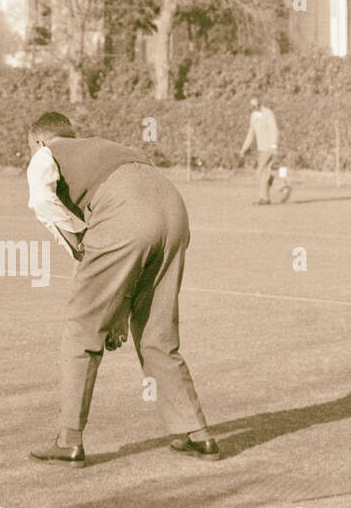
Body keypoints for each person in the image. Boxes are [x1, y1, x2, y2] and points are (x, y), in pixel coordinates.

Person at [26, 111, 217, 467]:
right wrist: (116, 310)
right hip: (173, 210)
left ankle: (68, 441)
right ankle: (197, 433)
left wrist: (83, 245)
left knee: (81, 328)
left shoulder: (45, 153)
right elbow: (126, 254)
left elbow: (42, 203)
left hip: (125, 215)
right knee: (157, 334)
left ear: (39, 140)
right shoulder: (107, 148)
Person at [239, 96, 280, 205]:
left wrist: (274, 146)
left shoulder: (268, 113)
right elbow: (251, 133)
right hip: (261, 148)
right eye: (252, 106)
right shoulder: (253, 116)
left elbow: (274, 130)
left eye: (256, 105)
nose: (254, 107)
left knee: (260, 171)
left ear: (260, 103)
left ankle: (265, 197)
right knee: (264, 173)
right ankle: (266, 195)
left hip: (269, 147)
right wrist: (244, 148)